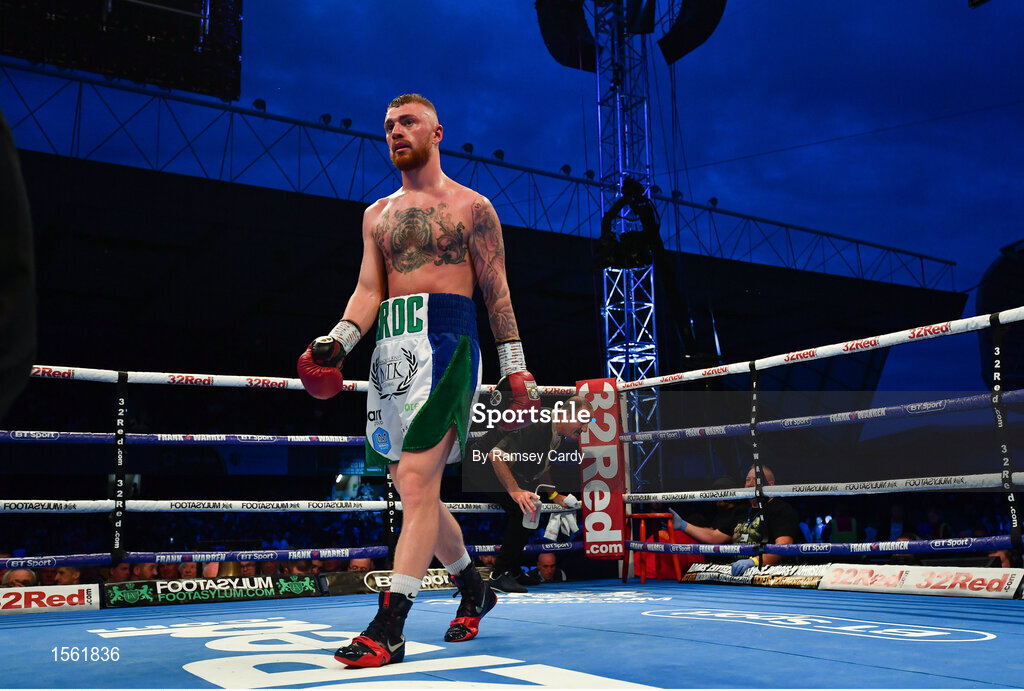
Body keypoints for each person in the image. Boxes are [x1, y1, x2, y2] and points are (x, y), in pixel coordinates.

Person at [297, 93, 538, 668]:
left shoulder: (473, 207)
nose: (395, 132)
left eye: (407, 122)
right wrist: (338, 341)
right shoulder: (375, 214)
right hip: (391, 347)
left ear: (437, 132)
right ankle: (474, 587)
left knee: (414, 474)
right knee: (415, 489)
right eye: (387, 126)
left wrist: (514, 365)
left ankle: (391, 623)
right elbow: (368, 290)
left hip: (450, 344)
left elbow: (496, 288)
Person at [471, 396, 592, 593]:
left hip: (507, 468)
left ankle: (513, 570)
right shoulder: (537, 424)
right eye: (583, 421)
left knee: (531, 505)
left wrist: (554, 496)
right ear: (568, 414)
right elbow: (496, 455)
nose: (585, 429)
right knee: (523, 508)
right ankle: (498, 575)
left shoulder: (556, 432)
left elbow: (543, 466)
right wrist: (515, 491)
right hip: (482, 466)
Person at [727, 465, 802, 575]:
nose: (750, 484)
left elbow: (783, 547)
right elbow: (714, 537)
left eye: (757, 480)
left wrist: (754, 561)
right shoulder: (740, 511)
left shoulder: (781, 509)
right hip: (738, 573)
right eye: (747, 480)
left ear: (770, 485)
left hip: (770, 576)